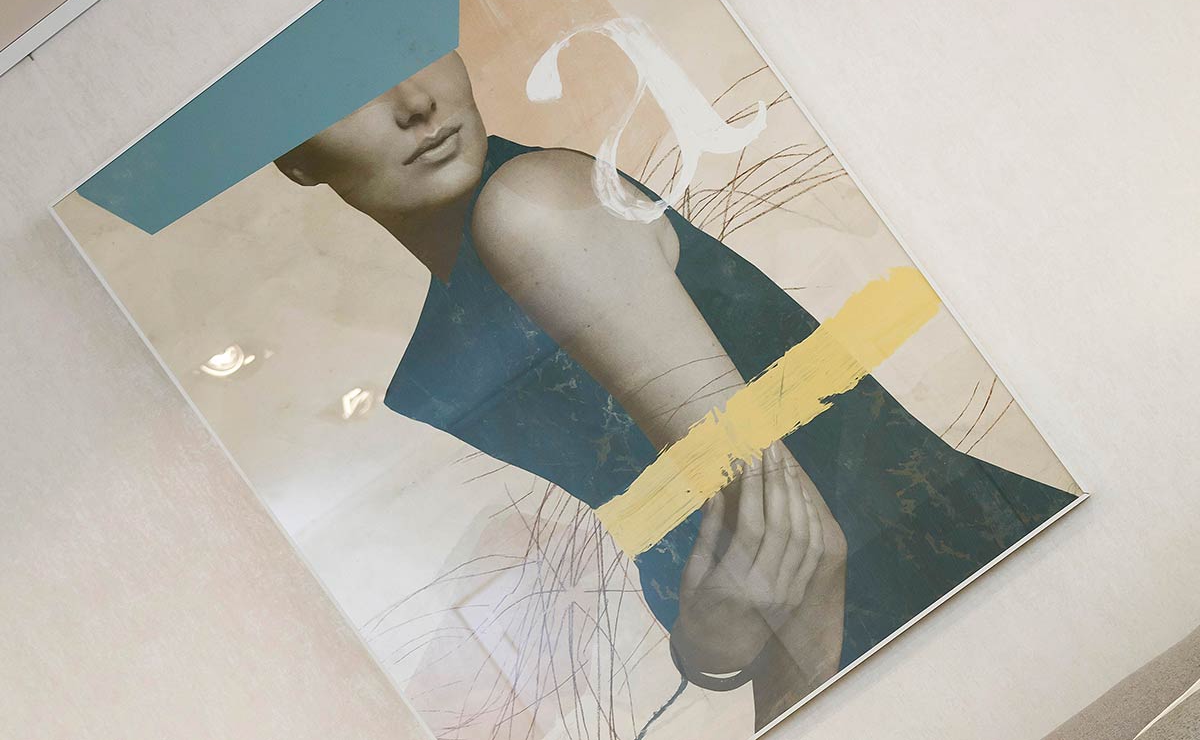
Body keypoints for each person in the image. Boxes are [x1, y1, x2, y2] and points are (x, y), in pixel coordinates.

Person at [276, 50, 1076, 729]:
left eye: (411, 46)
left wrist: (737, 668)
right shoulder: (450, 348)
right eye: (340, 92)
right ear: (293, 157)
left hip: (962, 621)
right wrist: (705, 649)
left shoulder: (531, 208)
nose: (414, 102)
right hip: (942, 622)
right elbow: (732, 562)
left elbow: (803, 551)